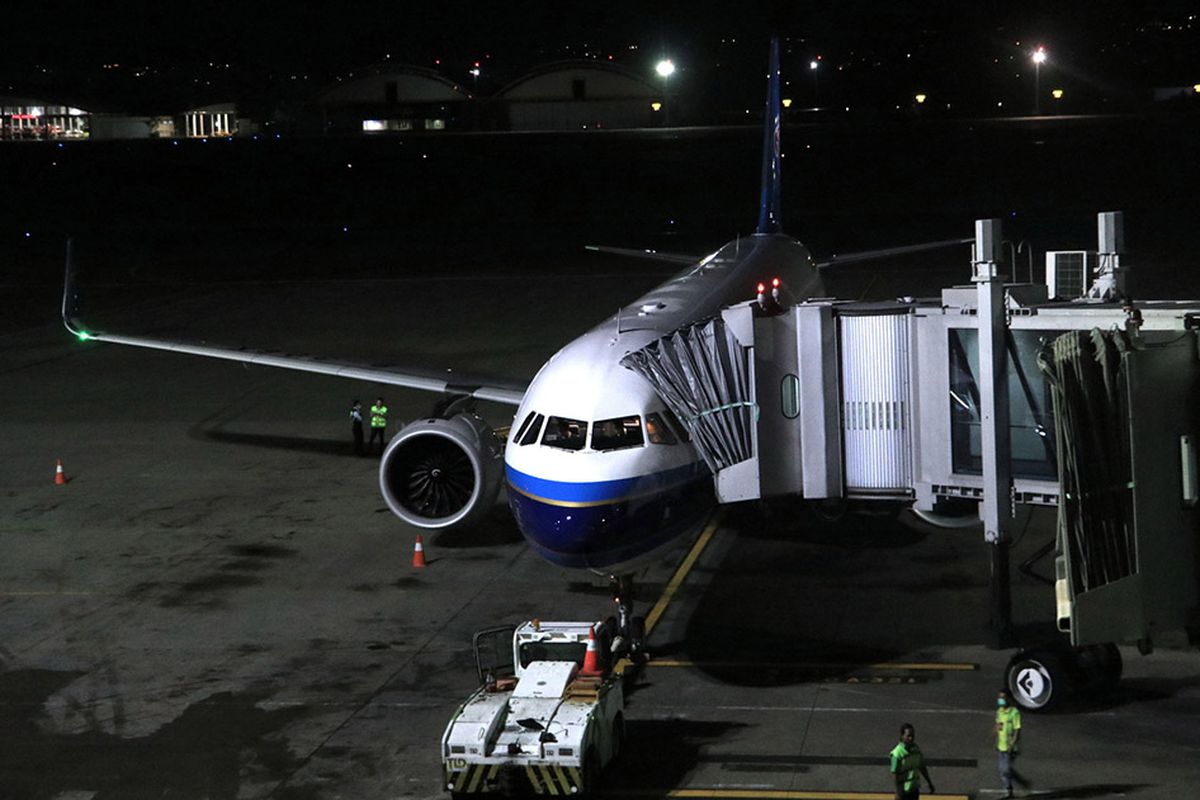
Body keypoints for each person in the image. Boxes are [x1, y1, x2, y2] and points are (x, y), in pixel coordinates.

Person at [994, 689, 1029, 798]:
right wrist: (994, 735)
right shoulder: (999, 711)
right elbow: (999, 725)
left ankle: (1012, 788)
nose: (1001, 700)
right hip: (1001, 746)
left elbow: (1017, 729)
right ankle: (1009, 792)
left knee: (1005, 769)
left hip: (1010, 748)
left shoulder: (1014, 713)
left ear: (1008, 699)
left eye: (1003, 698)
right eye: (1000, 697)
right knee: (1002, 770)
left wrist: (1012, 744)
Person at [890, 722, 934, 800]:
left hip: (914, 789)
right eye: (908, 736)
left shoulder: (916, 750)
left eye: (912, 736)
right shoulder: (897, 754)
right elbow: (895, 775)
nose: (911, 738)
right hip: (903, 792)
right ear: (902, 736)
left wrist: (929, 783)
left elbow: (922, 767)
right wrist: (898, 792)